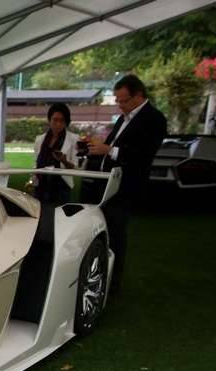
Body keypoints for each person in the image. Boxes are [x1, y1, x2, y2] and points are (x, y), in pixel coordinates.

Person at [83, 74, 167, 294]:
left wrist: (109, 150)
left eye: (123, 100)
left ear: (138, 95)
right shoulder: (123, 119)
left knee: (116, 236)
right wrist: (96, 148)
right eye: (118, 101)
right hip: (106, 186)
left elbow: (143, 155)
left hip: (126, 189)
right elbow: (111, 147)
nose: (120, 105)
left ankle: (112, 285)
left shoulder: (154, 119)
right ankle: (100, 275)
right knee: (102, 232)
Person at [33, 102, 79, 205]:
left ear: (66, 122)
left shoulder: (73, 139)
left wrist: (64, 160)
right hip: (40, 186)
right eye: (55, 120)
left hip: (61, 188)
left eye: (62, 120)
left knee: (59, 218)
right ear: (49, 120)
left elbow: (75, 167)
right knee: (40, 217)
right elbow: (36, 163)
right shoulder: (40, 139)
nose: (58, 124)